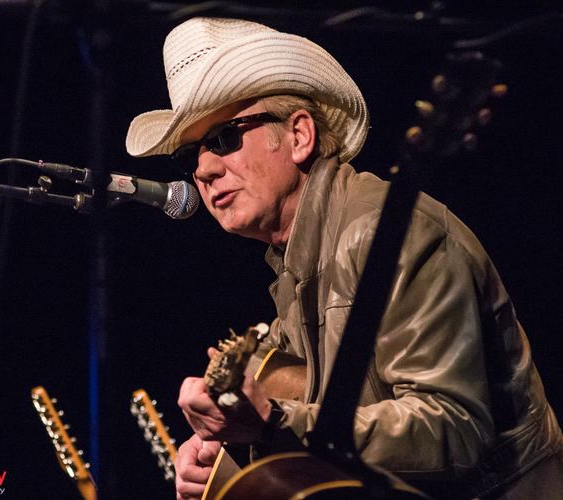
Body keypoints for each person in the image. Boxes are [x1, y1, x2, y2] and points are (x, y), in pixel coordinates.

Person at [125, 17, 563, 499]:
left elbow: (454, 430)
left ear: (299, 135)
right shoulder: (296, 262)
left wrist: (272, 423)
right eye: (190, 157)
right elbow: (318, 413)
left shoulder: (391, 232)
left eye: (225, 138)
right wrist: (223, 452)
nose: (204, 169)